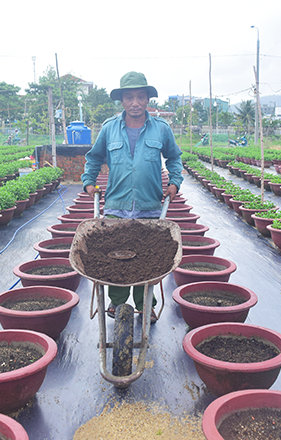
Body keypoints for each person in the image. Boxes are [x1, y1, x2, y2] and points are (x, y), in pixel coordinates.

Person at [81, 71, 183, 324]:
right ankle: (117, 303)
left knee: (149, 261)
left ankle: (145, 305)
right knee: (115, 260)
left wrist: (174, 182)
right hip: (117, 204)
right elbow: (94, 157)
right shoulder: (109, 128)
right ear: (122, 100)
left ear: (148, 99)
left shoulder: (161, 129)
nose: (135, 102)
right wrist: (88, 182)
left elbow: (174, 158)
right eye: (129, 97)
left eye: (140, 96)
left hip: (150, 205)